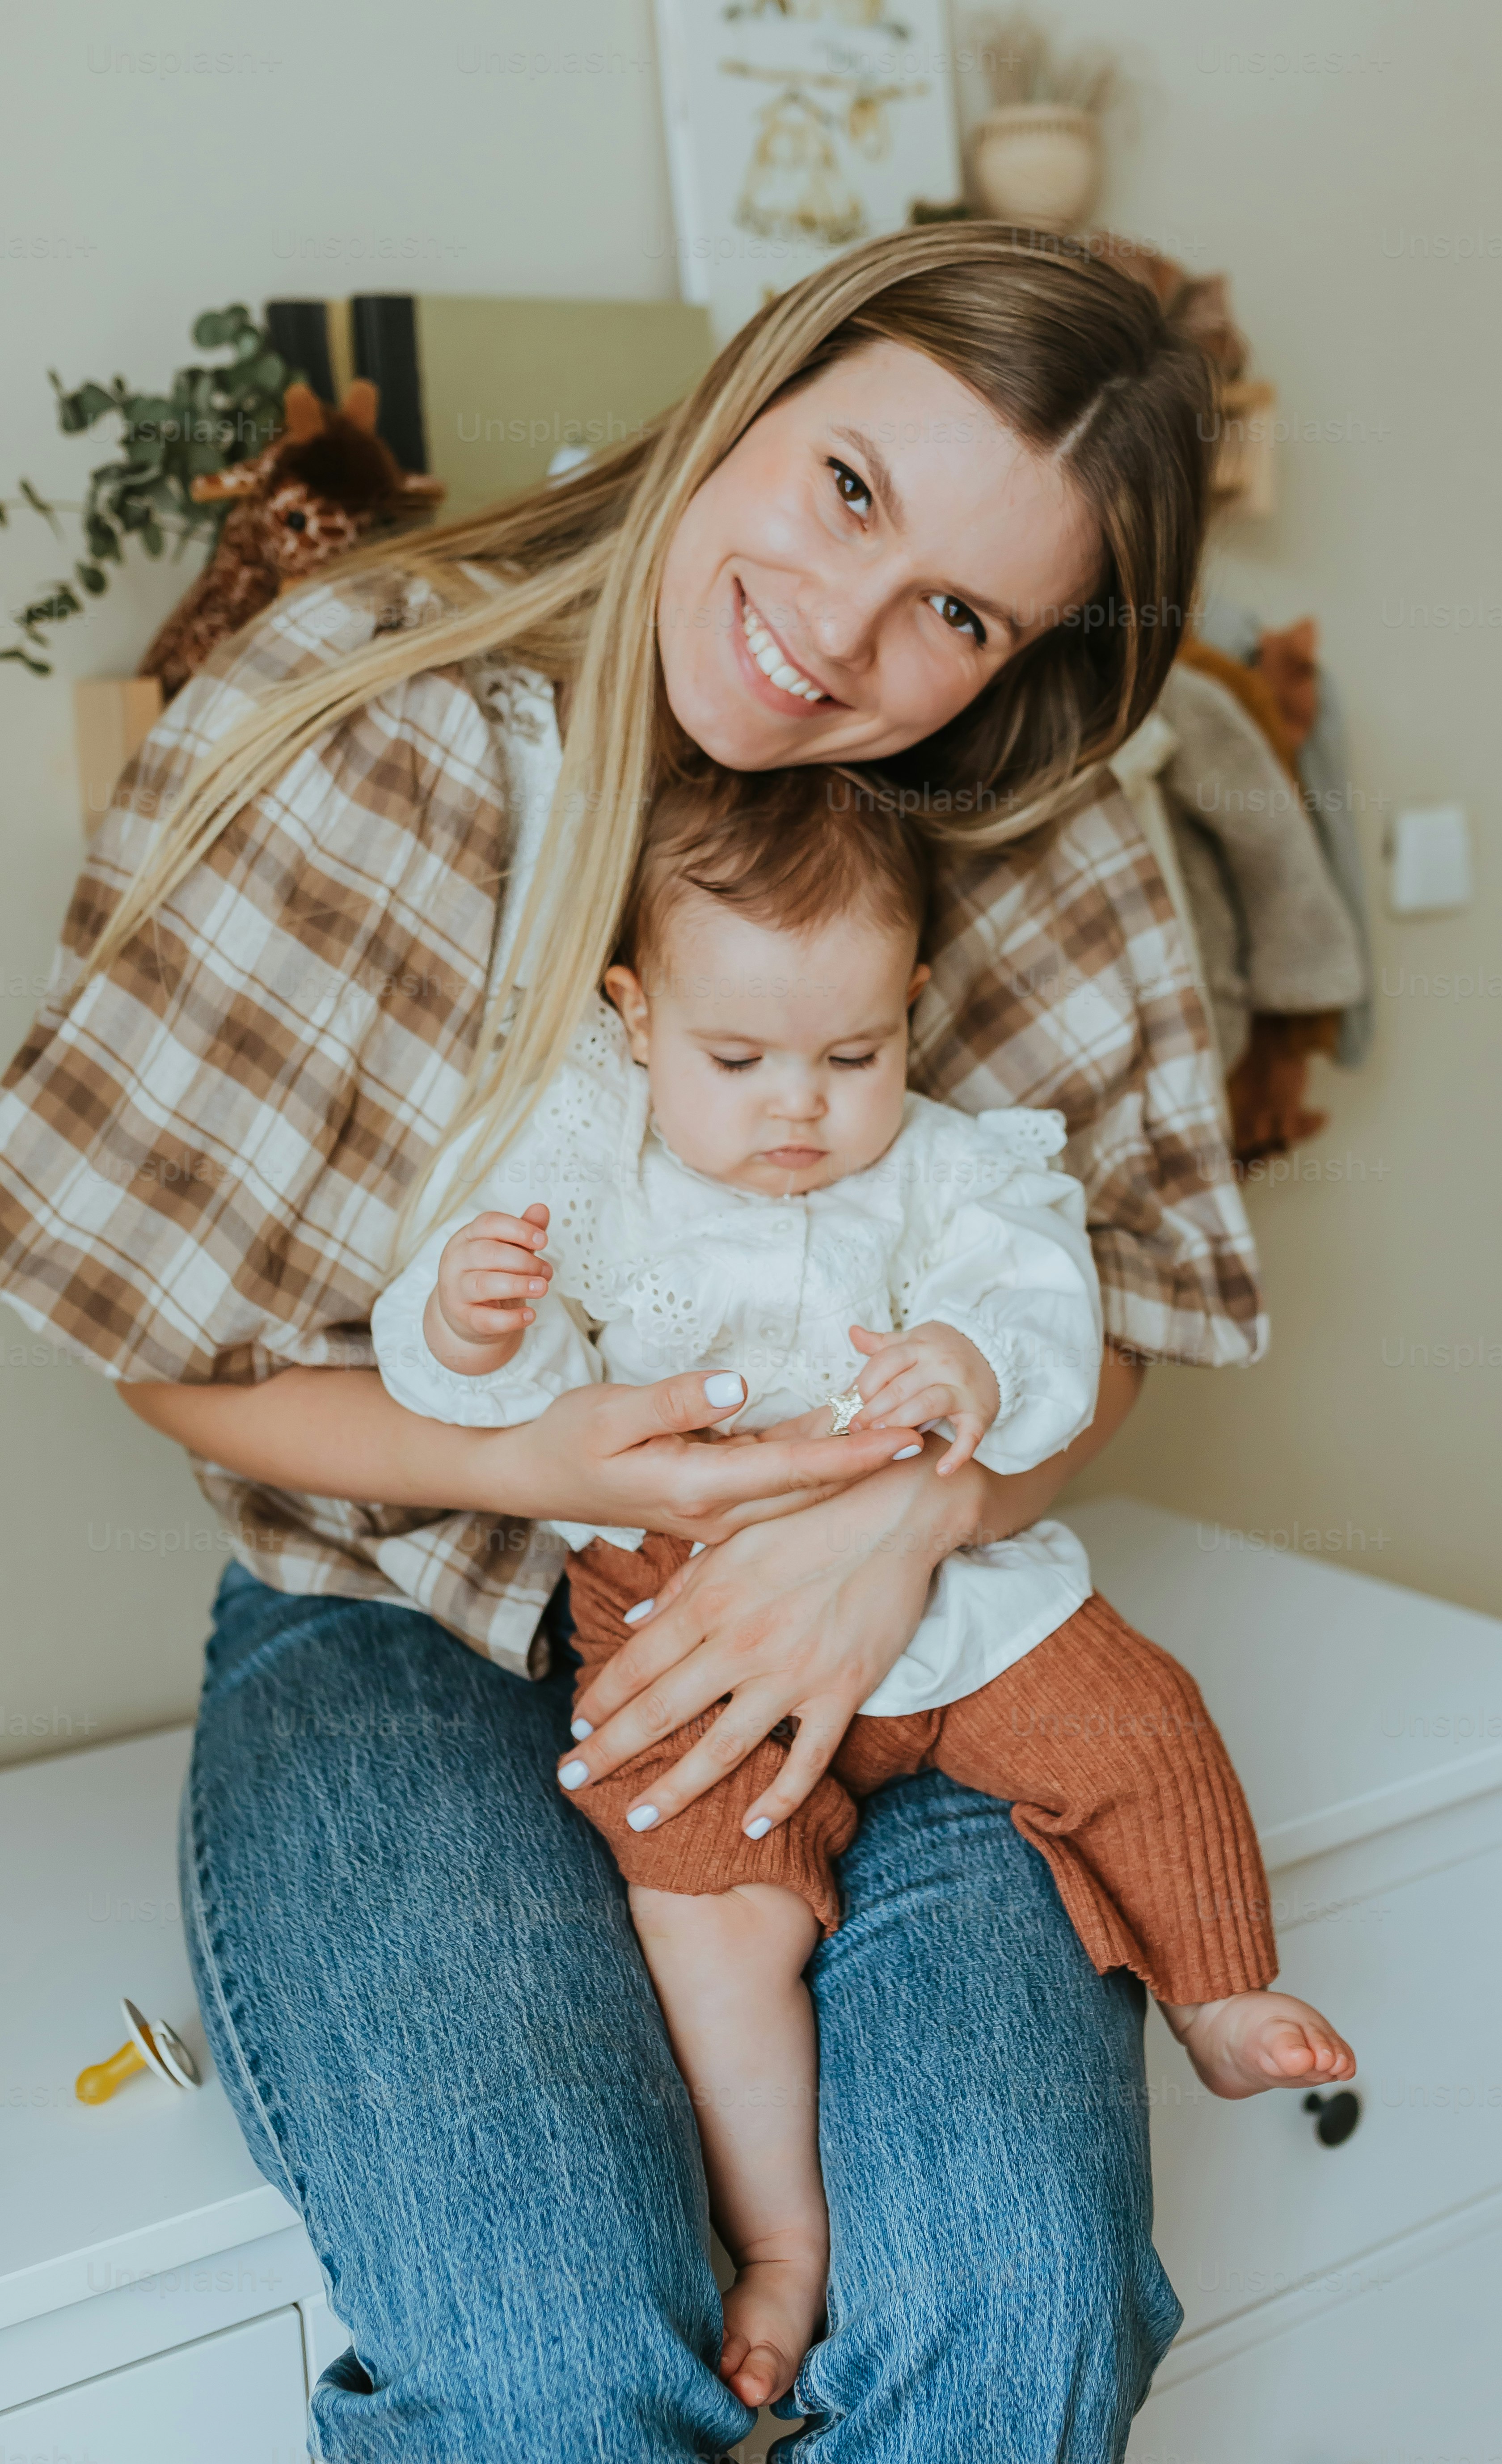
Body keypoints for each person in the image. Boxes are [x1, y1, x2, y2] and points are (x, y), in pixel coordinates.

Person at [0, 225, 1270, 2456]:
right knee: (559, 2360)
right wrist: (554, 1467)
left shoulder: (1011, 803)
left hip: (902, 1639)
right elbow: (157, 1344)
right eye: (851, 491)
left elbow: (1121, 1305)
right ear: (772, 376)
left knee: (1017, 2291)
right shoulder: (368, 713)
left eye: (961, 613)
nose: (842, 641)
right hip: (400, 1619)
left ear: (1025, 655)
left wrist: (901, 1528)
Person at [371, 767, 1355, 2409]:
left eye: (852, 1057)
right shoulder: (591, 1172)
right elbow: (484, 1392)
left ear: (910, 1009)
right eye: (737, 1060)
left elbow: (1041, 1299)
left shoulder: (955, 1169)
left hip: (956, 1596)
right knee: (700, 1905)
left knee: (1143, 1722)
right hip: (694, 1628)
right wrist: (473, 1322)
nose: (797, 1110)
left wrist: (974, 1354)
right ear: (635, 1013)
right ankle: (782, 2240)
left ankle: (1220, 1988)